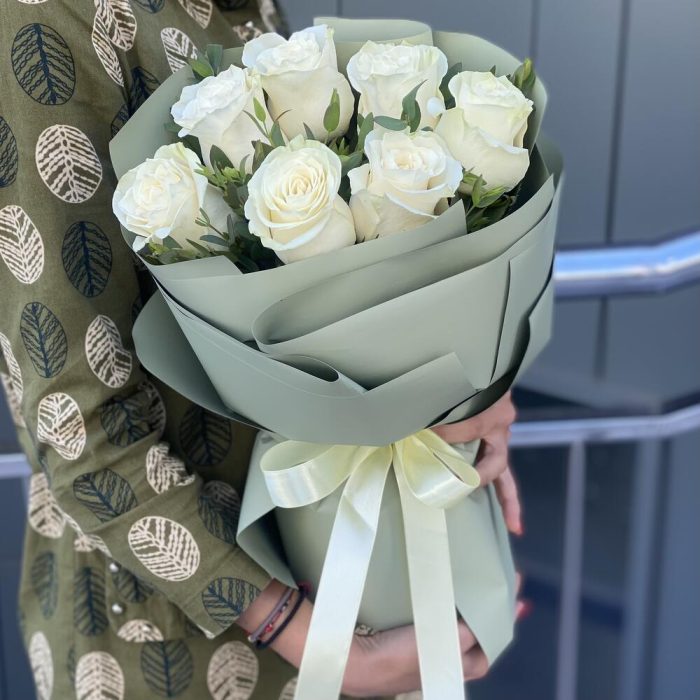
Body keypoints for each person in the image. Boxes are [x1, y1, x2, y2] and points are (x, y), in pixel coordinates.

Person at [0, 1, 525, 697]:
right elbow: (79, 428)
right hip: (182, 646)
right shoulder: (45, 18)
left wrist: (460, 394)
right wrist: (319, 642)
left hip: (348, 565)